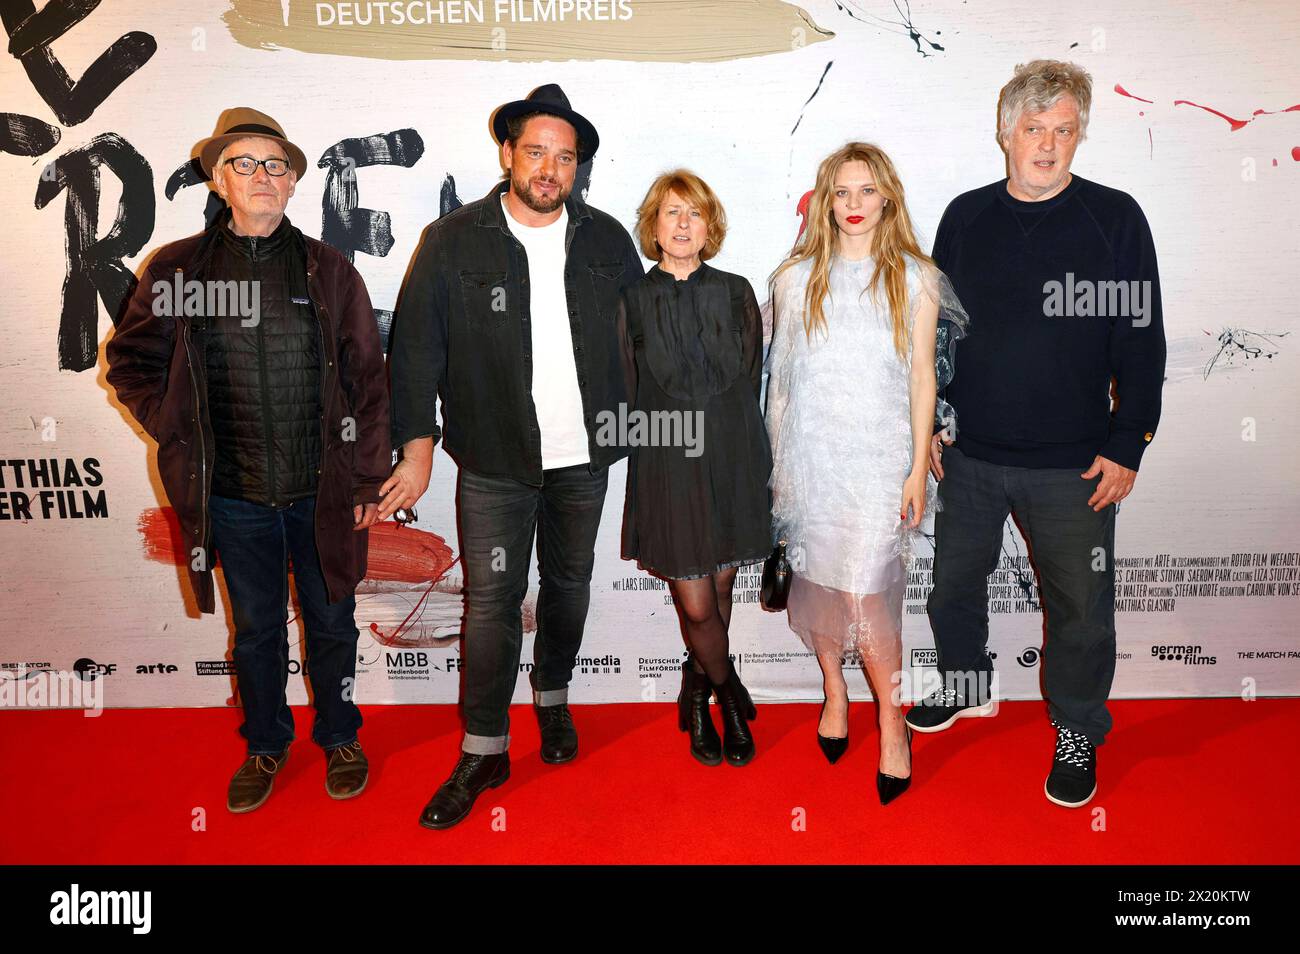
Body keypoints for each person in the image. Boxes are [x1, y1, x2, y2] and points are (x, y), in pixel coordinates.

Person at [106, 107, 391, 813]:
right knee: (257, 629)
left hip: (323, 492)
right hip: (231, 495)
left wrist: (363, 478)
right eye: (245, 163)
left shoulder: (329, 270)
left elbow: (369, 381)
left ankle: (341, 734)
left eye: (276, 165)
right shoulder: (177, 268)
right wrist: (175, 427)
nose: (263, 176)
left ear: (293, 182)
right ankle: (266, 743)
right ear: (219, 179)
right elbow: (131, 364)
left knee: (331, 623)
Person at [907, 60, 1167, 809]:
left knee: (1082, 610)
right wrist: (932, 423)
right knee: (953, 585)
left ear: (1080, 136)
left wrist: (1130, 441)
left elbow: (1141, 341)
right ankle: (965, 685)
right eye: (1033, 129)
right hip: (972, 456)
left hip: (1075, 466)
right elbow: (940, 336)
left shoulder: (1114, 218)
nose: (1048, 146)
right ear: (1004, 131)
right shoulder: (965, 216)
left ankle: (1079, 726)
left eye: (1064, 130)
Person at [383, 84, 644, 830]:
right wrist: (418, 445)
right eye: (537, 151)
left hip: (585, 459)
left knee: (569, 585)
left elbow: (646, 337)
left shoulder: (605, 240)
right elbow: (415, 353)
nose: (550, 168)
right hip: (495, 459)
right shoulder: (455, 240)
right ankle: (483, 747)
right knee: (492, 602)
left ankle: (555, 700)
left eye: (565, 157)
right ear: (507, 153)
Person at [766, 142, 968, 806]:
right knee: (822, 583)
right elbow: (781, 385)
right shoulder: (793, 280)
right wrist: (778, 473)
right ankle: (833, 690)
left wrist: (916, 469)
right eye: (841, 193)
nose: (853, 206)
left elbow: (921, 378)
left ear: (888, 197)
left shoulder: (916, 278)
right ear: (826, 201)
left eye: (866, 191)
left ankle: (890, 718)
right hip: (810, 458)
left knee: (870, 594)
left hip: (881, 462)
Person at [617, 170, 771, 767]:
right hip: (669, 465)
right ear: (653, 227)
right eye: (671, 213)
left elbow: (751, 380)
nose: (683, 225)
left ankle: (697, 687)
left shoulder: (737, 292)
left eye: (695, 214)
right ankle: (728, 692)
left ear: (711, 226)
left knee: (723, 587)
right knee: (699, 604)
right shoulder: (630, 301)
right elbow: (626, 394)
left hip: (733, 456)